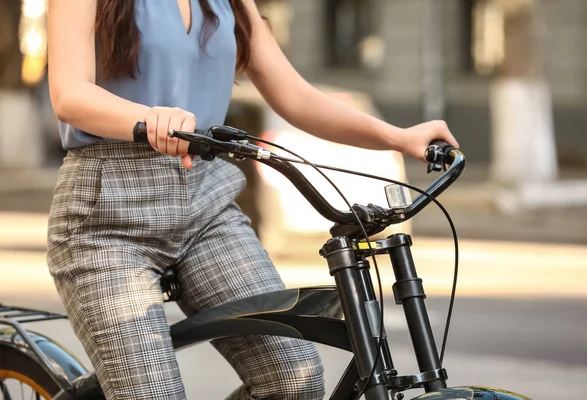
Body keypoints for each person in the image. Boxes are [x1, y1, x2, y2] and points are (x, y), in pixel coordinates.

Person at [46, 1, 459, 399]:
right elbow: (69, 94)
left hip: (207, 203)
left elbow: (294, 95)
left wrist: (399, 138)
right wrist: (149, 118)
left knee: (293, 379)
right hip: (106, 214)